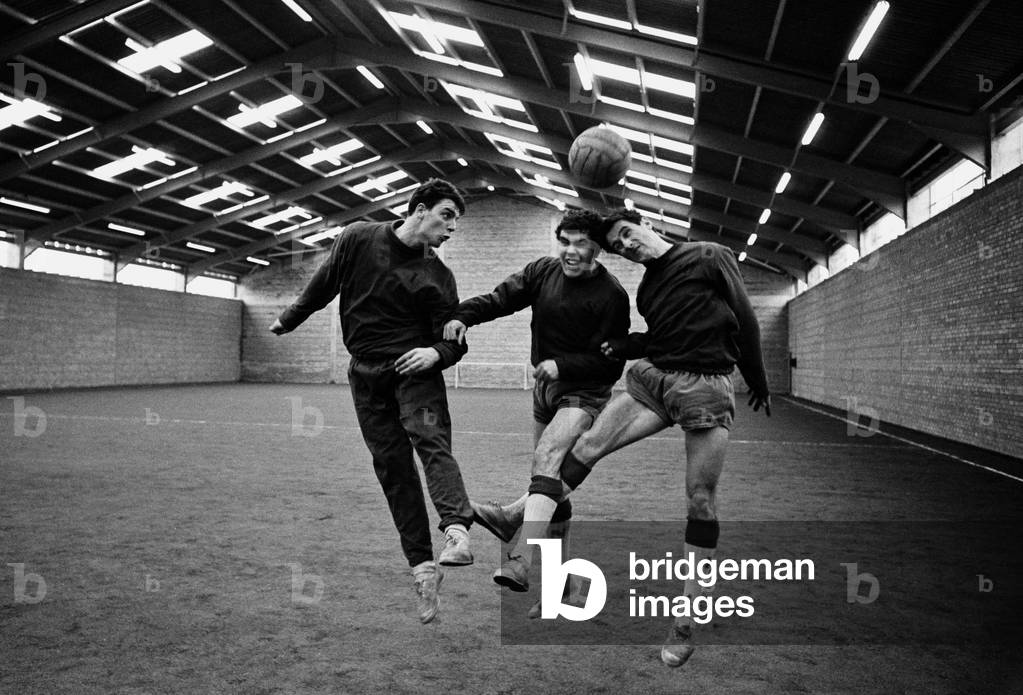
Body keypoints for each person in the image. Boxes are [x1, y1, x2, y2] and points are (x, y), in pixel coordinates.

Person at [482, 208, 771, 666]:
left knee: (700, 499)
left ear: (646, 224)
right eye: (617, 245)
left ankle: (685, 619)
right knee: (584, 448)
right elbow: (665, 339)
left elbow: (745, 316)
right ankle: (519, 514)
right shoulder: (647, 287)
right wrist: (628, 345)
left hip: (705, 386)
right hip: (654, 378)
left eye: (626, 234)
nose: (626, 245)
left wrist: (757, 376)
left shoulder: (709, 255)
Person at [268, 178, 475, 625]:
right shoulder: (358, 238)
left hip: (413, 373)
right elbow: (324, 284)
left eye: (456, 219)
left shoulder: (438, 276)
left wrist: (434, 353)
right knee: (393, 469)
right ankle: (423, 572)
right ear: (419, 210)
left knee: (431, 442)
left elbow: (455, 341)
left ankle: (457, 533)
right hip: (365, 376)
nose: (452, 227)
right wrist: (289, 318)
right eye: (447, 215)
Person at [442, 209, 630, 617]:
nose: (571, 251)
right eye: (565, 241)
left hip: (584, 392)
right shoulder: (542, 272)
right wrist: (462, 316)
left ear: (598, 248)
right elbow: (500, 299)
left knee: (547, 460)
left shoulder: (612, 295)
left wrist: (564, 366)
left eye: (582, 244)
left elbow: (611, 363)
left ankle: (520, 556)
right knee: (550, 488)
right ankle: (561, 585)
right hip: (545, 391)